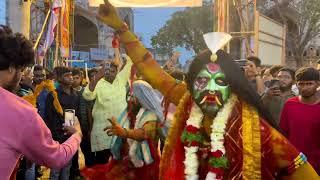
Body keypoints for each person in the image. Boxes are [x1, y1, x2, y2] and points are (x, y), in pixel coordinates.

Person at [96, 2, 319, 179]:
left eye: (220, 82)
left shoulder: (256, 129)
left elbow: (298, 167)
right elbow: (150, 68)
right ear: (192, 86)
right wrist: (120, 28)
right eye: (202, 81)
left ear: (232, 86)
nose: (210, 89)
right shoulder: (187, 101)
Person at [0, 25, 82, 180]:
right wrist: (77, 134)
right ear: (12, 68)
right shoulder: (21, 111)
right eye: (22, 70)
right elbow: (56, 157)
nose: (22, 76)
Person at [82, 48, 132, 165]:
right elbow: (87, 96)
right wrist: (98, 76)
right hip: (102, 132)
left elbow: (129, 63)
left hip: (121, 130)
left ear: (117, 71)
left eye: (113, 70)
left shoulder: (121, 79)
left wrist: (122, 53)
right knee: (103, 165)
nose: (109, 72)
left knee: (120, 166)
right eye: (107, 70)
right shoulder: (98, 83)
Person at [280, 67, 320, 175]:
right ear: (296, 84)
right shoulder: (289, 105)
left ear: (317, 84)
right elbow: (283, 135)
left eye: (309, 84)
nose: (304, 88)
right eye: (301, 84)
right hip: (294, 164)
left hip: (316, 166)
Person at [44, 66, 81, 180]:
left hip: (70, 137)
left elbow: (77, 115)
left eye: (71, 75)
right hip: (56, 137)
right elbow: (48, 118)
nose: (70, 78)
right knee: (55, 170)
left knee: (67, 168)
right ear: (59, 78)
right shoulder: (53, 95)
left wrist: (75, 132)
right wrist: (51, 136)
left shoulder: (75, 95)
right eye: (66, 76)